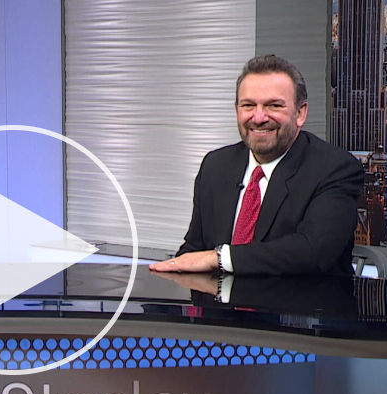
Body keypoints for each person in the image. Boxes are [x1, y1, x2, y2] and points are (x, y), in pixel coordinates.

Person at [150, 55, 364, 275]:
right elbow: (194, 250)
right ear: (237, 111)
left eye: (274, 105)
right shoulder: (215, 166)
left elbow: (313, 252)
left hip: (301, 296)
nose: (259, 117)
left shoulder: (335, 169)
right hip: (220, 297)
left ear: (300, 113)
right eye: (248, 105)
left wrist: (221, 258)